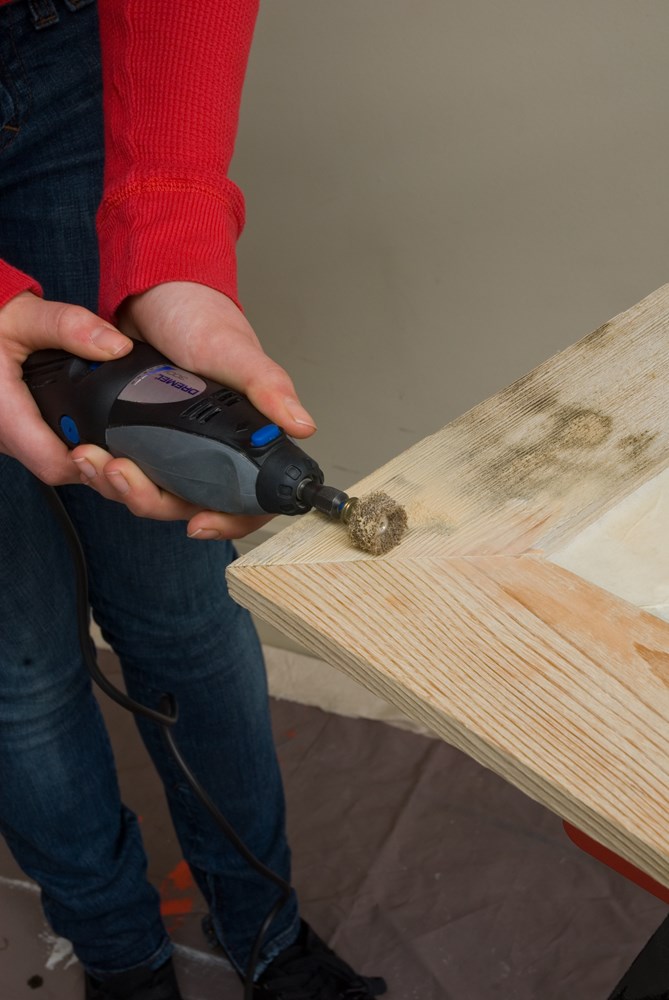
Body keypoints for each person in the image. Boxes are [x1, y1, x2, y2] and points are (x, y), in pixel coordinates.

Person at [0, 2, 386, 998]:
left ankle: (265, 931)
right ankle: (122, 960)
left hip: (67, 57)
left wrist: (172, 234)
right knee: (19, 669)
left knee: (184, 614)